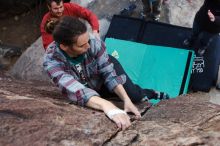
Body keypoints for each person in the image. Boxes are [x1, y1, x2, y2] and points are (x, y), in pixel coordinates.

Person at [43, 16, 169, 130]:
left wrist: (126, 99)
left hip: (104, 70)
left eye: (88, 41)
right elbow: (76, 90)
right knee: (104, 98)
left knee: (134, 96)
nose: (88, 46)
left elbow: (108, 71)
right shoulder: (52, 62)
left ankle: (151, 93)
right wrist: (108, 107)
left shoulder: (93, 42)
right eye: (81, 46)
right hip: (88, 84)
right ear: (64, 46)